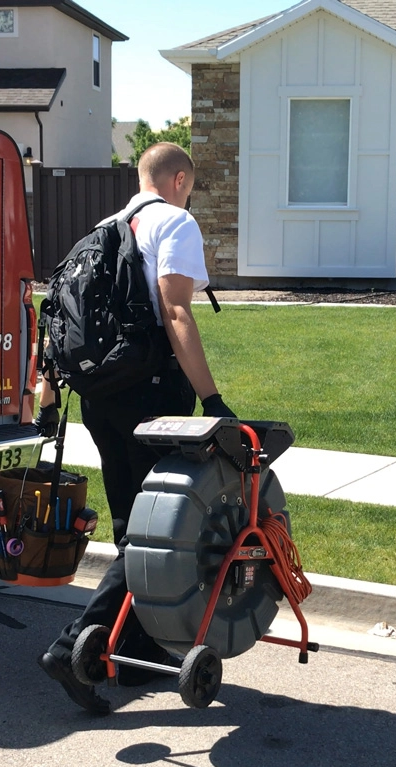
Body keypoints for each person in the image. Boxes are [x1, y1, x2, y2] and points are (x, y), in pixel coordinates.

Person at [37, 142, 236, 715]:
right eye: (189, 187)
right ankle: (71, 647)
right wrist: (213, 400)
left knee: (133, 525)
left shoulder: (103, 226)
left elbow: (57, 315)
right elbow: (176, 312)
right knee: (158, 534)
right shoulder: (175, 222)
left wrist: (48, 396)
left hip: (102, 398)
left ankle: (129, 652)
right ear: (178, 179)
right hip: (149, 397)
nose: (188, 195)